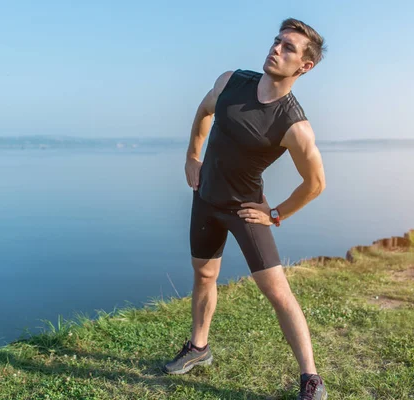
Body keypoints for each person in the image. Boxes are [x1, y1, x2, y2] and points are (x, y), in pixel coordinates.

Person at [163, 18, 328, 400]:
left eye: (288, 47)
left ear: (305, 66)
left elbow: (315, 184)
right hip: (205, 198)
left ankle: (310, 378)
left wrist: (276, 213)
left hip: (246, 208)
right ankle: (198, 348)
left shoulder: (294, 124)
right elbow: (204, 111)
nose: (276, 49)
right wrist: (192, 156)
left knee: (277, 291)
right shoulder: (231, 81)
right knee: (204, 274)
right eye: (277, 41)